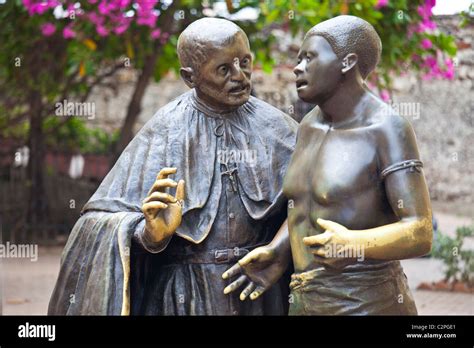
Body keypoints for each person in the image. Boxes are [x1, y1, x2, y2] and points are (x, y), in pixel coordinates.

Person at [48, 18, 297, 315]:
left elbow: (313, 203)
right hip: (184, 297)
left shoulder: (279, 128)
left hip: (259, 292)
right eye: (223, 69)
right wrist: (149, 234)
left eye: (245, 62)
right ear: (189, 77)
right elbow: (97, 222)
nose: (240, 76)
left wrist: (280, 251)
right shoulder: (166, 129)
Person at [228, 15, 433, 315]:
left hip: (368, 304)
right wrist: (279, 250)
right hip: (305, 302)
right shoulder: (308, 126)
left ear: (347, 62)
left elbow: (420, 231)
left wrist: (355, 245)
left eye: (309, 58)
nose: (297, 68)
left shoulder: (388, 129)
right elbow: (305, 204)